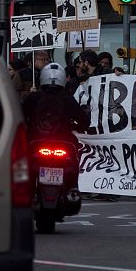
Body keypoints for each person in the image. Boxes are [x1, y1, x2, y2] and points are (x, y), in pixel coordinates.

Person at [22, 63, 91, 191]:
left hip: (36, 143)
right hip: (63, 143)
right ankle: (72, 189)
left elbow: (19, 116)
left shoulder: (34, 98)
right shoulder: (67, 99)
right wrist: (77, 126)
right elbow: (84, 120)